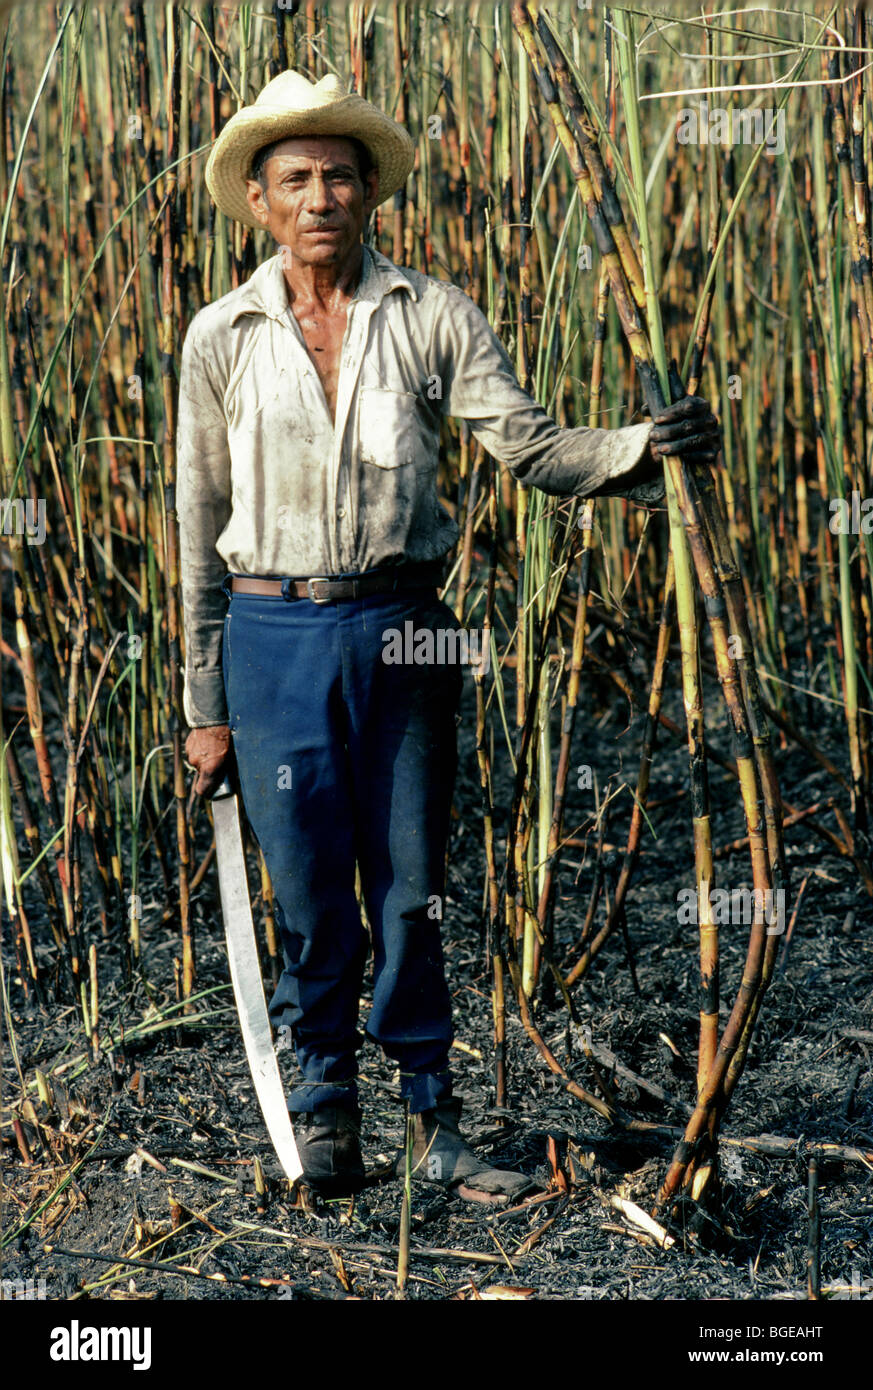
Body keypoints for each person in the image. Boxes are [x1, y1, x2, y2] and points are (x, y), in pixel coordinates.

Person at [177, 70, 721, 1200]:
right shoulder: (221, 335)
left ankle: (435, 1123)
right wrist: (204, 706)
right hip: (272, 636)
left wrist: (636, 448)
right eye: (295, 180)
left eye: (338, 175)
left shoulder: (434, 314)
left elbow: (526, 447)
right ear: (263, 203)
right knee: (305, 886)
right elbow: (194, 529)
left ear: (371, 190)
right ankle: (325, 1116)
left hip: (406, 634)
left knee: (413, 883)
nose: (319, 195)